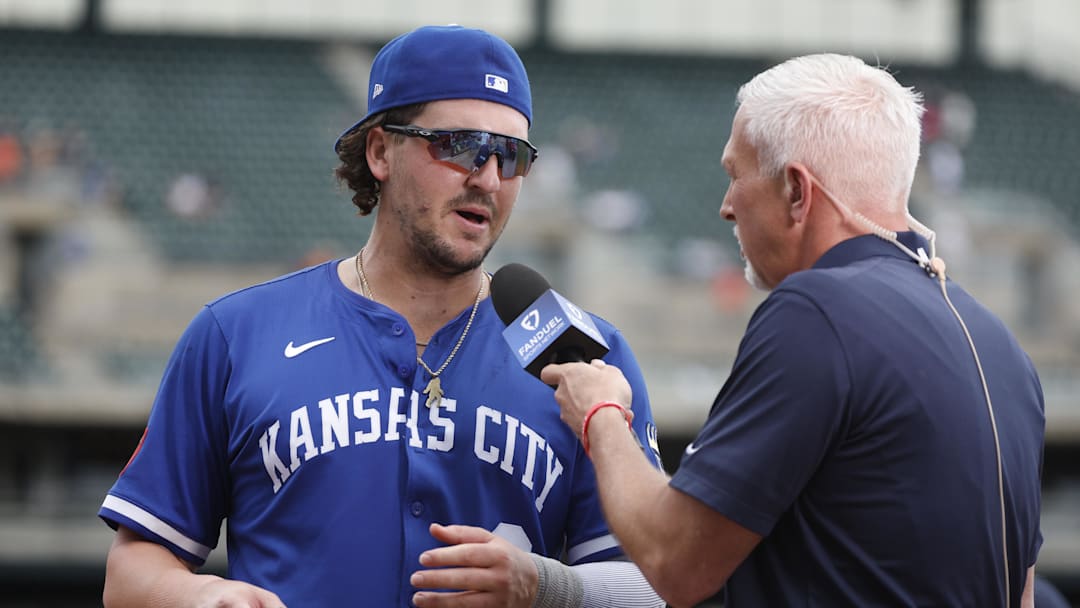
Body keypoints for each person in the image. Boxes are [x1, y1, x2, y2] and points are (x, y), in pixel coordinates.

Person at [99, 25, 664, 608]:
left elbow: (651, 588)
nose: (488, 178)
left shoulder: (584, 354)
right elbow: (132, 573)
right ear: (379, 151)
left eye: (510, 155)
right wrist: (204, 599)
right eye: (460, 145)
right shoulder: (235, 334)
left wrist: (547, 587)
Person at [541, 53, 1045, 607]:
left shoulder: (818, 308)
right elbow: (1021, 592)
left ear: (798, 192)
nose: (726, 207)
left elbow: (674, 560)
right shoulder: (999, 342)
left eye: (735, 175)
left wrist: (601, 415)